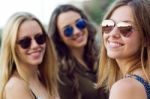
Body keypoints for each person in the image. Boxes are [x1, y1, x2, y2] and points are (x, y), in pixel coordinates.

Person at [48, 4, 108, 99]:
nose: (76, 31)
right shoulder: (60, 72)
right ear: (58, 37)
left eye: (79, 24)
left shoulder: (102, 54)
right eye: (68, 30)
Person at [97, 0, 150, 99]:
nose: (113, 33)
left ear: (146, 38)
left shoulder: (125, 88)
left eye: (125, 28)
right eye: (108, 25)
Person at [0, 12, 59, 99]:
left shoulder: (44, 78)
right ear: (12, 48)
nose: (35, 45)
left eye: (39, 38)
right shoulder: (16, 87)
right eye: (25, 42)